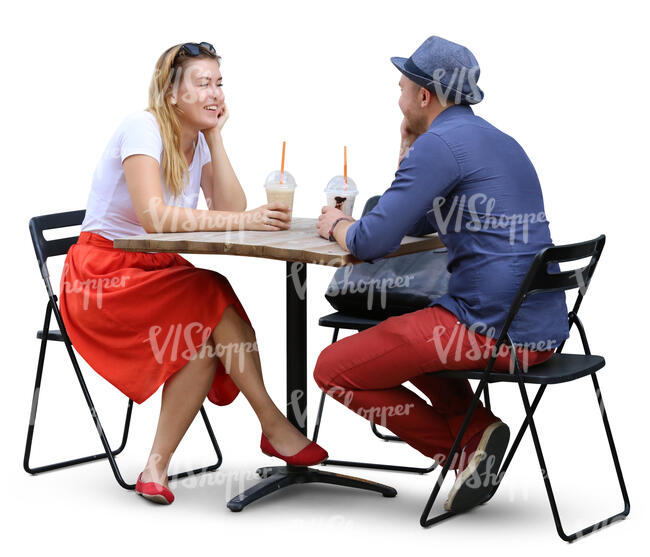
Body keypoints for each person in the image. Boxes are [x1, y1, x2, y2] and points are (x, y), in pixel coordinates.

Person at [59, 42, 327, 505]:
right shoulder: (142, 128)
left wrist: (216, 137)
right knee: (210, 288)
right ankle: (272, 423)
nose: (216, 93)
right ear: (170, 93)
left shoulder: (200, 139)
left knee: (200, 337)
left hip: (154, 271)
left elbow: (229, 208)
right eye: (203, 84)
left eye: (219, 83)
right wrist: (244, 221)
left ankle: (155, 468)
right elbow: (154, 218)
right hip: (101, 278)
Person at [314, 36, 569, 512]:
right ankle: (476, 430)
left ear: (424, 96)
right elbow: (417, 222)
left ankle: (464, 451)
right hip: (542, 330)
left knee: (332, 369)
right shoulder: (498, 140)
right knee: (412, 331)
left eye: (402, 88)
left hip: (489, 329)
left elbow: (372, 242)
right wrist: (409, 156)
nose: (399, 99)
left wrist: (337, 225)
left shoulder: (442, 145)